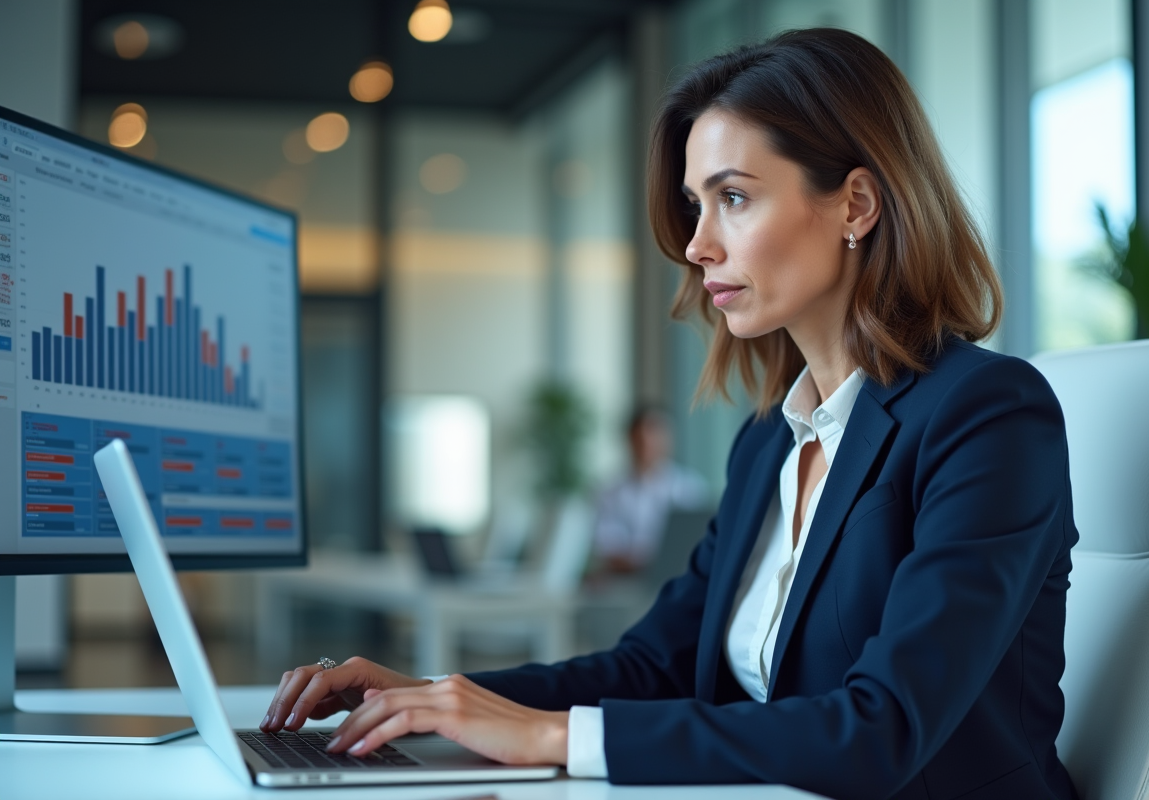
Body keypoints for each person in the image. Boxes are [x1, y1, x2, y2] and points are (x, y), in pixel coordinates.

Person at [260, 29, 1079, 799]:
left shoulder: (986, 415)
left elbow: (884, 729)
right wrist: (439, 697)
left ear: (856, 204)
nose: (697, 245)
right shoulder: (769, 443)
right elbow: (652, 665)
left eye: (733, 198)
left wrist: (554, 739)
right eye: (695, 204)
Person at [591, 405, 708, 574]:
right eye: (641, 437)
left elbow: (698, 542)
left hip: (679, 576)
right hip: (625, 580)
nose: (648, 443)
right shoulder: (609, 492)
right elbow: (607, 547)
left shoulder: (690, 488)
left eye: (655, 435)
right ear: (630, 439)